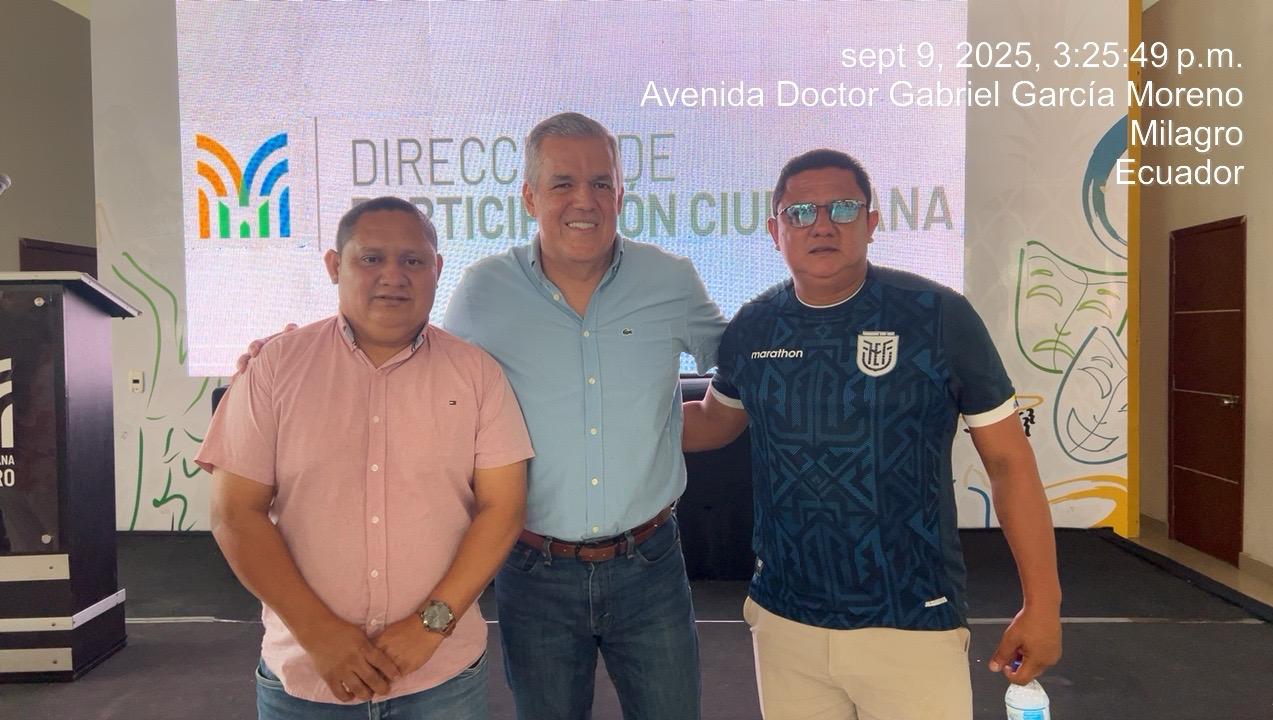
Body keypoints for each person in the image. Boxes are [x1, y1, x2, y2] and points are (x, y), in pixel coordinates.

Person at [683, 149, 1062, 720]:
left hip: (913, 621)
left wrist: (1043, 603)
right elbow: (714, 421)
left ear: (872, 222)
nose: (822, 225)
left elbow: (1009, 462)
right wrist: (602, 425)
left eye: (842, 208)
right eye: (800, 212)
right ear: (775, 231)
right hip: (785, 622)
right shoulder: (753, 327)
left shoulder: (938, 317)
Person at [197, 197, 534, 720]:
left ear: (437, 269)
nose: (393, 276)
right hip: (307, 676)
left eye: (413, 260)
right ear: (335, 266)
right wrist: (320, 634)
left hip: (440, 676)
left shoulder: (478, 375)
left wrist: (430, 625)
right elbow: (234, 512)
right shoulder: (275, 368)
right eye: (371, 258)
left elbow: (503, 508)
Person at [442, 112, 726, 720]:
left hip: (650, 564)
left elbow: (744, 359)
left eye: (601, 183)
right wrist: (290, 354)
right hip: (532, 569)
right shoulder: (483, 290)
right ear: (529, 197)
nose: (584, 200)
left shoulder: (670, 279)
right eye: (562, 183)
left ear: (620, 195)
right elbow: (422, 385)